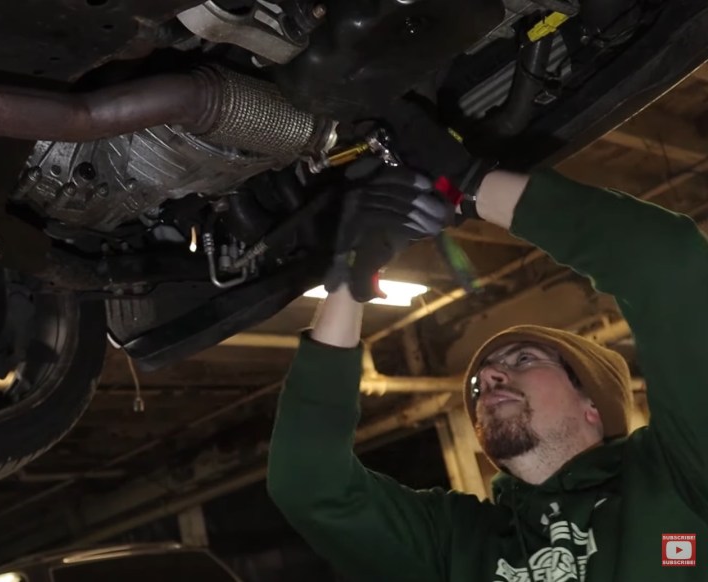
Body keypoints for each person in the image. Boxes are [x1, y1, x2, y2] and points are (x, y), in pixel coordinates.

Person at [266, 126, 708, 581]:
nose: (489, 377)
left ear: (593, 403)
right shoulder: (457, 541)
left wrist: (467, 183)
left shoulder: (680, 479)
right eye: (479, 382)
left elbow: (666, 262)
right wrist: (351, 278)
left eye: (523, 359)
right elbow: (311, 485)